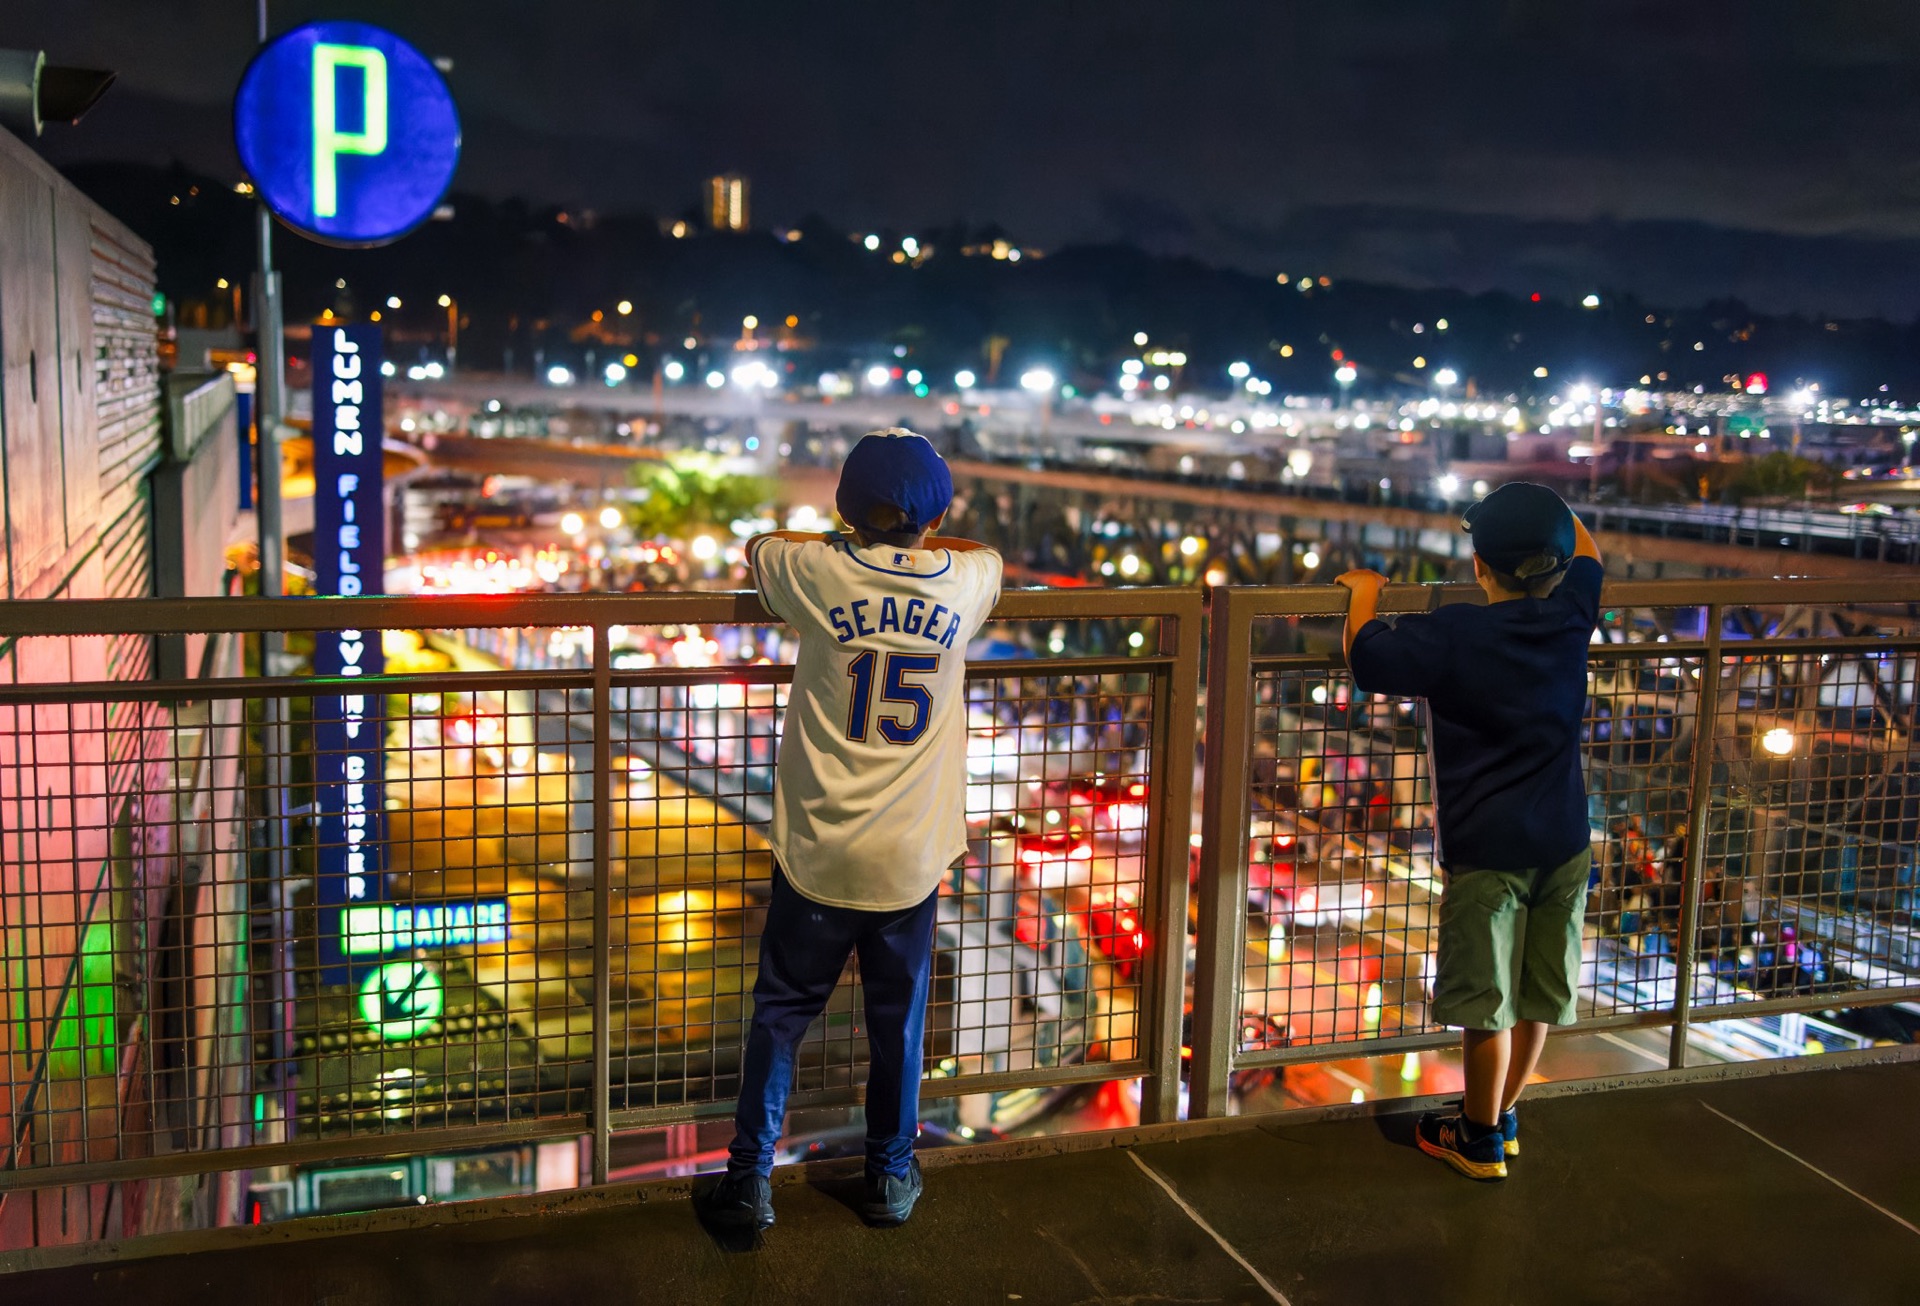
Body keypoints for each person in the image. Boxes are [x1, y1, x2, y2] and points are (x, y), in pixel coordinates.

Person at [694, 428, 1002, 1231]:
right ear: (935, 517)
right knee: (897, 1025)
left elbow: (761, 547)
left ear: (844, 510)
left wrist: (843, 539)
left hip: (819, 851)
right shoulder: (968, 580)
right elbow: (982, 552)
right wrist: (921, 535)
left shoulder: (818, 570)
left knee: (781, 1016)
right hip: (910, 860)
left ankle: (749, 1182)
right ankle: (890, 1179)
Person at [1336, 482, 1603, 1182]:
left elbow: (1367, 658)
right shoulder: (1572, 615)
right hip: (1566, 840)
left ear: (1479, 565)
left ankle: (1477, 1136)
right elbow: (1590, 554)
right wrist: (1550, 509)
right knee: (1537, 995)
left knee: (1486, 1002)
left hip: (1488, 847)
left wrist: (1364, 590)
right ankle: (1503, 1115)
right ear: (1556, 564)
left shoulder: (1458, 633)